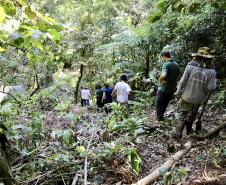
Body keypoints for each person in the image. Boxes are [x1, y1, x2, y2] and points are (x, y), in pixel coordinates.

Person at [171, 47, 216, 139]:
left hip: (186, 97)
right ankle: (189, 131)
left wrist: (178, 92)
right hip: (199, 99)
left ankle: (176, 135)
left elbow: (182, 82)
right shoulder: (212, 71)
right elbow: (210, 87)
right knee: (192, 115)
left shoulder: (189, 67)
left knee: (181, 114)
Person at [155, 51, 180, 121]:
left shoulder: (166, 64)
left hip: (163, 88)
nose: (162, 58)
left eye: (161, 57)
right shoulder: (176, 64)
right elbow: (178, 77)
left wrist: (160, 80)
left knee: (158, 103)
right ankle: (161, 117)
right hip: (171, 88)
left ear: (163, 56)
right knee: (165, 103)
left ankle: (159, 118)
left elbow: (163, 75)